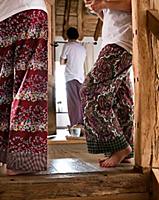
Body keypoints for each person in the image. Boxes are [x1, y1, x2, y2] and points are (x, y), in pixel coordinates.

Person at [81, 0, 134, 167]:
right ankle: (125, 148)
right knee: (120, 98)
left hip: (121, 41)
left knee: (90, 90)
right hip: (117, 39)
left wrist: (103, 3)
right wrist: (98, 9)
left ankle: (119, 147)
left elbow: (137, 5)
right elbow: (113, 17)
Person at [0, 0, 48, 175]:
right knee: (29, 84)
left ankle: (6, 153)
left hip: (5, 17)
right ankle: (21, 160)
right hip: (30, 9)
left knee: (4, 85)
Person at [60, 27, 86, 128]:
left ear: (67, 36)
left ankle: (75, 125)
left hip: (70, 77)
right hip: (81, 78)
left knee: (72, 102)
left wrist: (67, 61)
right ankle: (82, 124)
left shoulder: (67, 46)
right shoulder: (82, 48)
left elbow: (62, 62)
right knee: (80, 102)